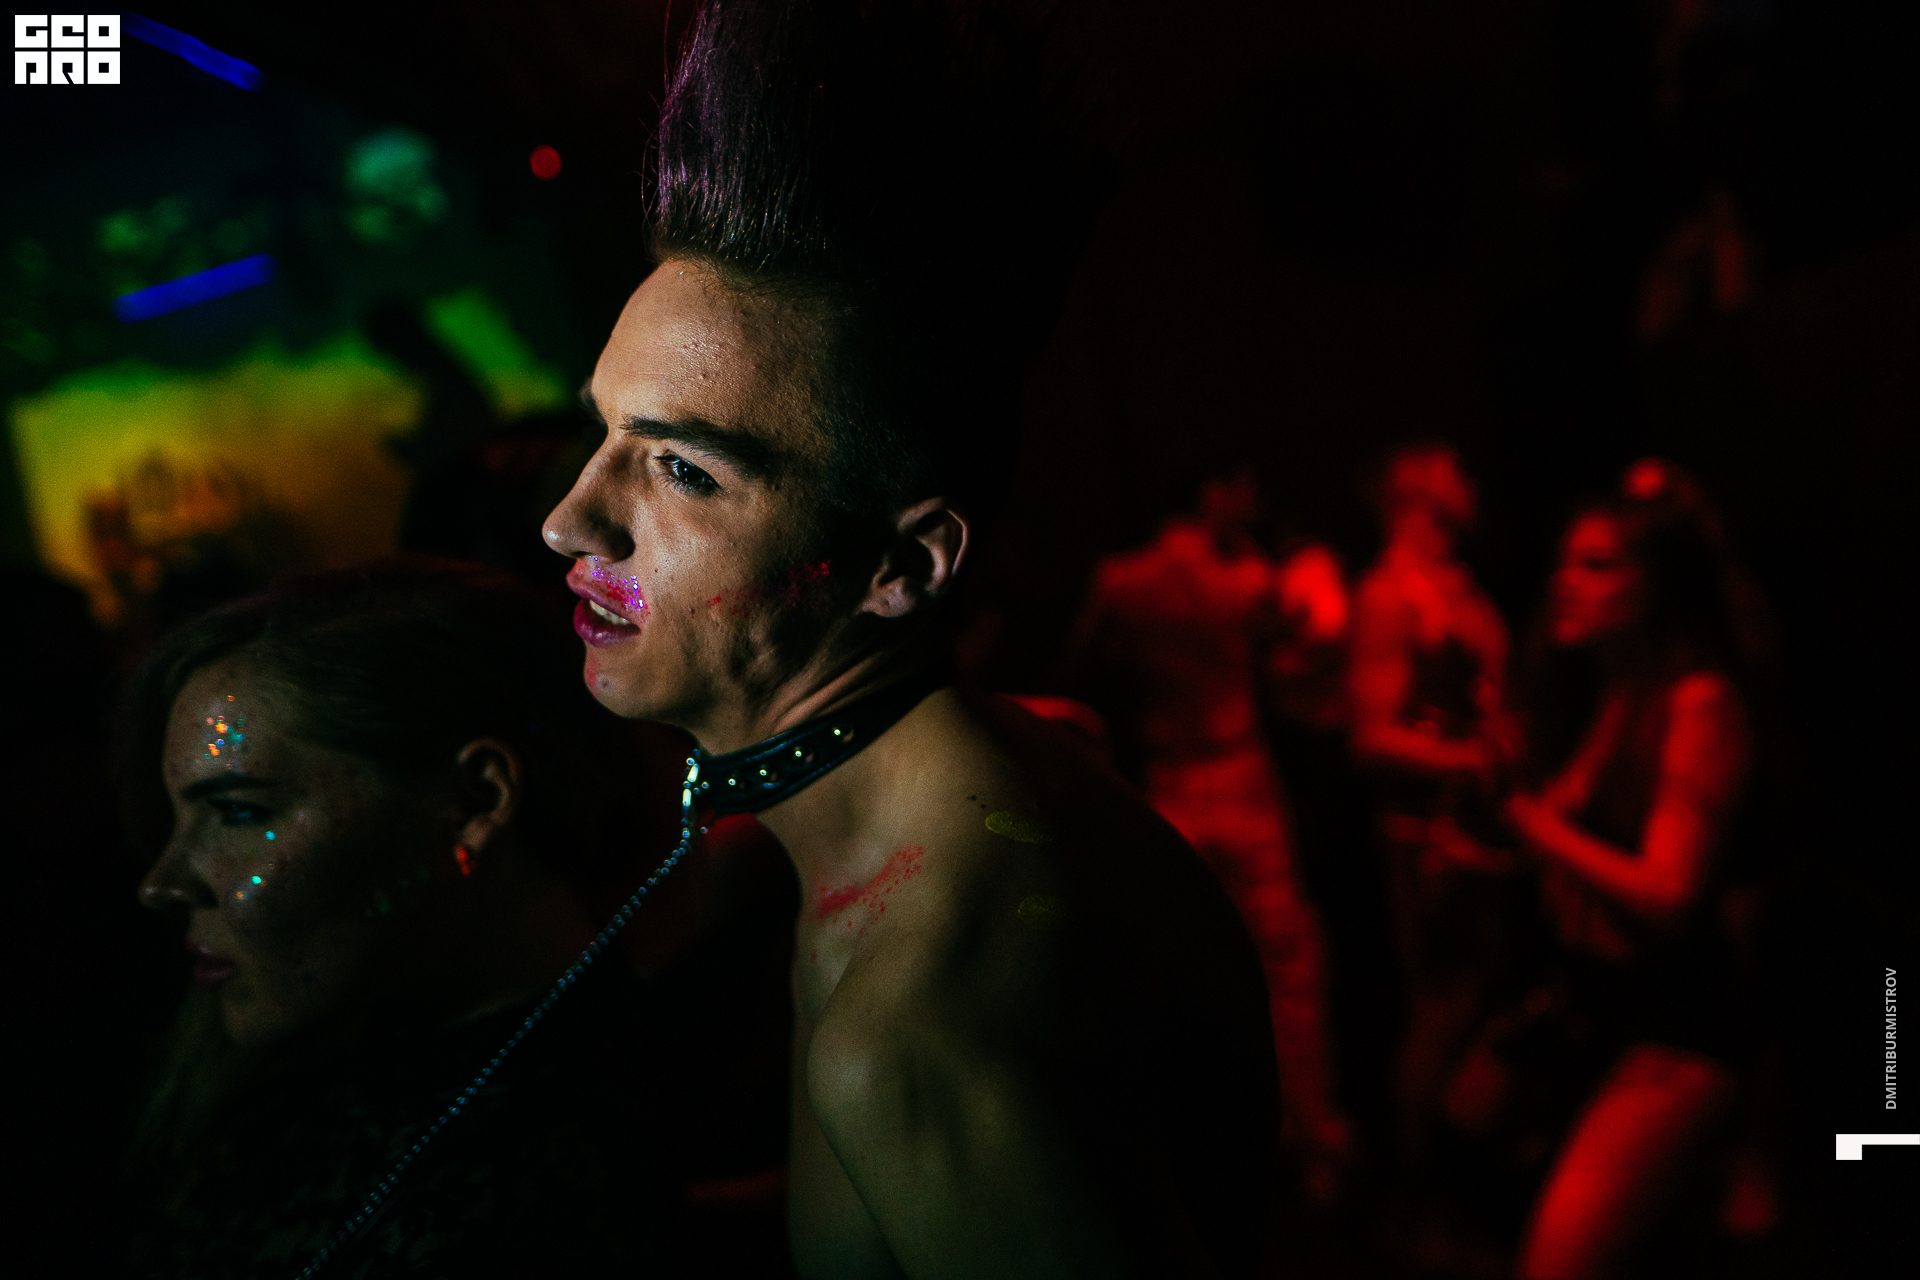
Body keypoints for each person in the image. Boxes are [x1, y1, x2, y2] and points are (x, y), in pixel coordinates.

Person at [541, 2, 1282, 1274]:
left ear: (906, 565)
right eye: (606, 432)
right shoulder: (959, 793)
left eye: (683, 469)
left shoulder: (920, 1018)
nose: (571, 520)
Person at [121, 560, 792, 1278]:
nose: (162, 884)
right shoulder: (291, 1089)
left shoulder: (550, 1172)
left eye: (238, 812)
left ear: (478, 799)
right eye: (178, 818)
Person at [1506, 459, 1773, 1279]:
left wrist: (1530, 824)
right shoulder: (1609, 691)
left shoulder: (1698, 705)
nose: (1564, 581)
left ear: (1658, 587)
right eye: (1563, 561)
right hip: (1597, 1006)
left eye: (1597, 564)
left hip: (1678, 1028)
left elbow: (1670, 892)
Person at [1063, 470, 1353, 1202]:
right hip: (1240, 776)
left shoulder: (1122, 580)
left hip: (1168, 780)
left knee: (1175, 966)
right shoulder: (1248, 580)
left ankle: (1190, 1143)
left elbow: (1081, 663)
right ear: (1215, 494)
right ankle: (1309, 1137)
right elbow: (1310, 651)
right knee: (1286, 962)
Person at [1346, 441, 1521, 1178]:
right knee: (1444, 1004)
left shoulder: (1452, 585)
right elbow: (1371, 737)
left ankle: (1459, 1166)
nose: (1471, 480)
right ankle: (1416, 1180)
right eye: (1456, 469)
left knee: (1480, 999)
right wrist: (1477, 761)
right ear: (1416, 491)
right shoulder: (1392, 596)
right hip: (1428, 836)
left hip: (1480, 828)